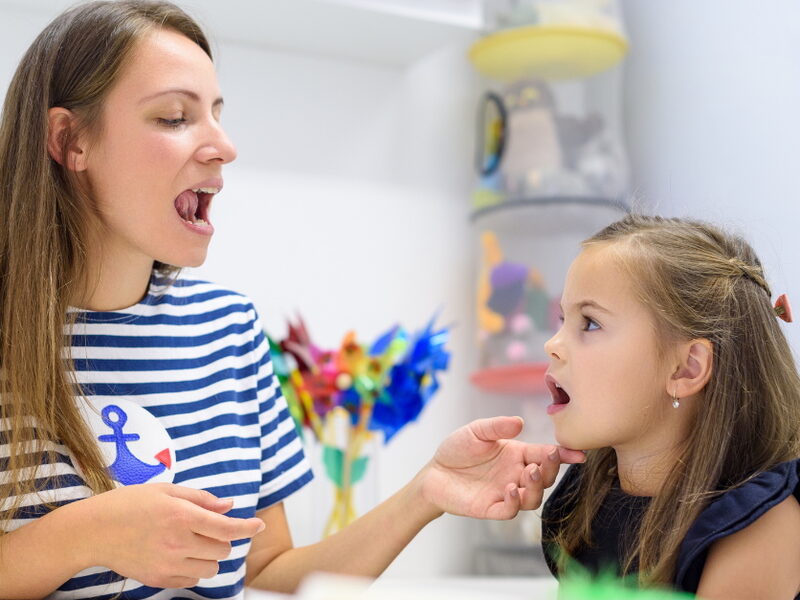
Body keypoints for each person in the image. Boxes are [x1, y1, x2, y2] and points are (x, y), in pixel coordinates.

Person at [0, 1, 586, 598]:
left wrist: (427, 491)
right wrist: (83, 534)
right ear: (70, 140)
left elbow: (267, 576)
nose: (223, 146)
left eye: (217, 115)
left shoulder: (229, 328)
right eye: (175, 117)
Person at [540, 214, 800, 599]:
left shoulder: (760, 524)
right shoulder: (585, 497)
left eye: (590, 323)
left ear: (686, 368)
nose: (552, 344)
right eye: (563, 319)